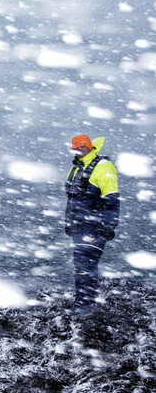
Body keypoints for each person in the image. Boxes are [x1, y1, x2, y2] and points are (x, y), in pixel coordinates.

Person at [65, 135, 120, 315]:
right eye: (76, 147)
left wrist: (108, 225)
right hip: (79, 226)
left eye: (81, 147)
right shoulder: (76, 169)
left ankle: (84, 306)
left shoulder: (103, 167)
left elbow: (112, 198)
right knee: (81, 264)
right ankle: (81, 303)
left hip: (95, 226)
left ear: (89, 146)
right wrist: (69, 221)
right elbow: (71, 198)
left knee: (86, 264)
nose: (78, 150)